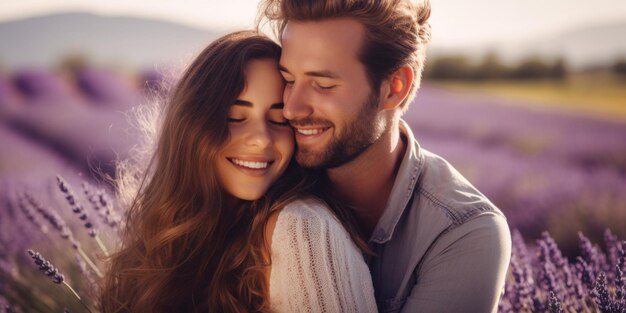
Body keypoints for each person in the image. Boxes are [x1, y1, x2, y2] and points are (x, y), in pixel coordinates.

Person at [258, 0, 512, 312]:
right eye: (289, 80)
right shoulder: (263, 176)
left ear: (395, 87)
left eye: (323, 85)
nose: (292, 108)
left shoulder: (462, 234)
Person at [99, 30, 377, 313]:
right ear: (191, 127)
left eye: (279, 119)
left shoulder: (302, 230)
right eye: (235, 117)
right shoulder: (168, 236)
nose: (261, 138)